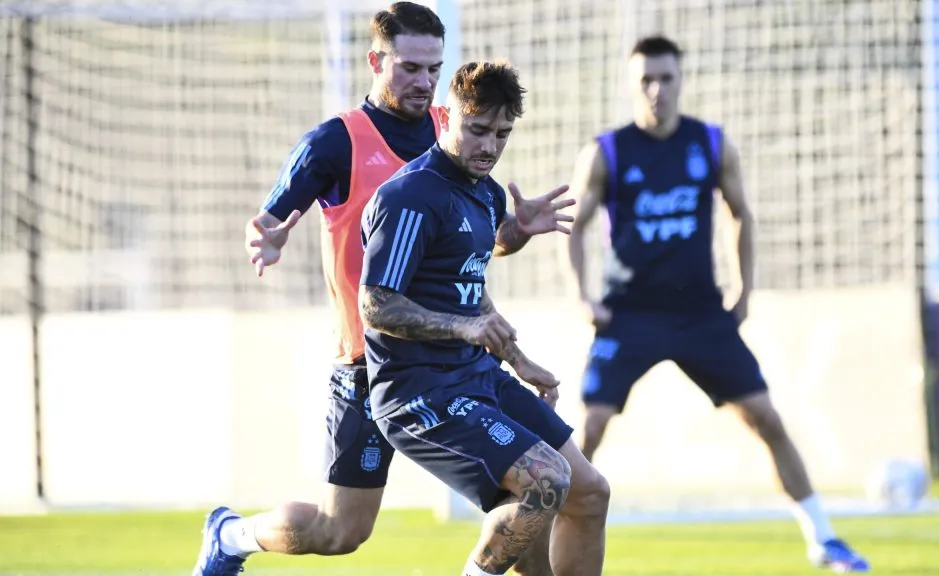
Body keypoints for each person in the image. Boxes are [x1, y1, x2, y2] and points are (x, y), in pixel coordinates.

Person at [192, 4, 564, 575]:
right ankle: (231, 535)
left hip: (449, 365)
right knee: (340, 531)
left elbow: (476, 249)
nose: (424, 81)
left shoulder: (458, 129)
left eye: (434, 68)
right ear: (375, 61)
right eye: (410, 67)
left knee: (549, 488)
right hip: (368, 363)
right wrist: (265, 236)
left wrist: (516, 232)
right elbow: (267, 222)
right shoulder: (335, 142)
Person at [566, 35, 870, 573]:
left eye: (666, 78)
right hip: (629, 314)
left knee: (766, 418)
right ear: (632, 84)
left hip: (700, 314)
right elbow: (575, 225)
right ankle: (542, 538)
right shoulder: (608, 151)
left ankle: (824, 539)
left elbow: (741, 214)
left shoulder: (709, 143)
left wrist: (744, 291)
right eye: (646, 80)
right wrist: (582, 295)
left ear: (681, 80)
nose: (657, 89)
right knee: (588, 428)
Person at [359, 60, 610, 576]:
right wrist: (464, 328)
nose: (489, 146)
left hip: (477, 377)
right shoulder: (410, 196)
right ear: (446, 116)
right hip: (420, 394)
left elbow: (468, 276)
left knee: (588, 492)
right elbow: (375, 303)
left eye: (502, 134)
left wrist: (518, 358)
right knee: (546, 480)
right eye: (477, 130)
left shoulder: (486, 192)